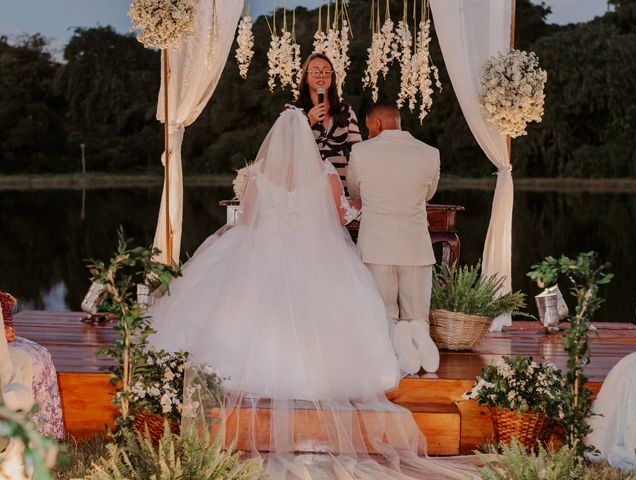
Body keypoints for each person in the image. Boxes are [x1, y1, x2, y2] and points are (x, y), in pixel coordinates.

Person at [148, 109, 478, 480]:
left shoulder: (258, 174)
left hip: (264, 250)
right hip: (316, 252)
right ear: (307, 139)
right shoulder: (323, 173)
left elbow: (250, 216)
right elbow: (340, 217)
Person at [347, 102, 440, 375]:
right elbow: (428, 194)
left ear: (375, 124)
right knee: (417, 313)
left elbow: (355, 191)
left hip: (377, 246)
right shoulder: (429, 153)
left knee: (384, 314)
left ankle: (395, 361)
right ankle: (420, 346)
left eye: (367, 128)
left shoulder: (361, 152)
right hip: (416, 247)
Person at [285, 53, 362, 189]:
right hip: (306, 187)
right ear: (306, 78)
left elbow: (359, 152)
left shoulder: (346, 111)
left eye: (326, 71)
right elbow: (284, 146)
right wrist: (308, 122)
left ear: (331, 78)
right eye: (315, 71)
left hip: (340, 189)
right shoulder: (292, 110)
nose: (321, 75)